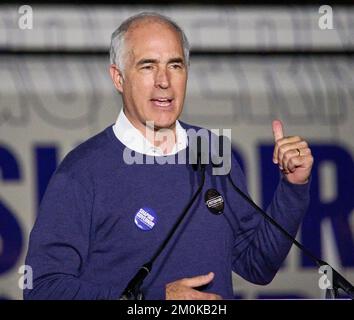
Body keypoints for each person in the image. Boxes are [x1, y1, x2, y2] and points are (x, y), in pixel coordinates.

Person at [24, 12, 314, 300]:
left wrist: (293, 186)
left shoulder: (212, 150)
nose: (164, 81)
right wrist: (150, 300)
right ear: (118, 78)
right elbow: (42, 289)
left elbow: (258, 265)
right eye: (148, 66)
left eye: (175, 65)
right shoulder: (82, 171)